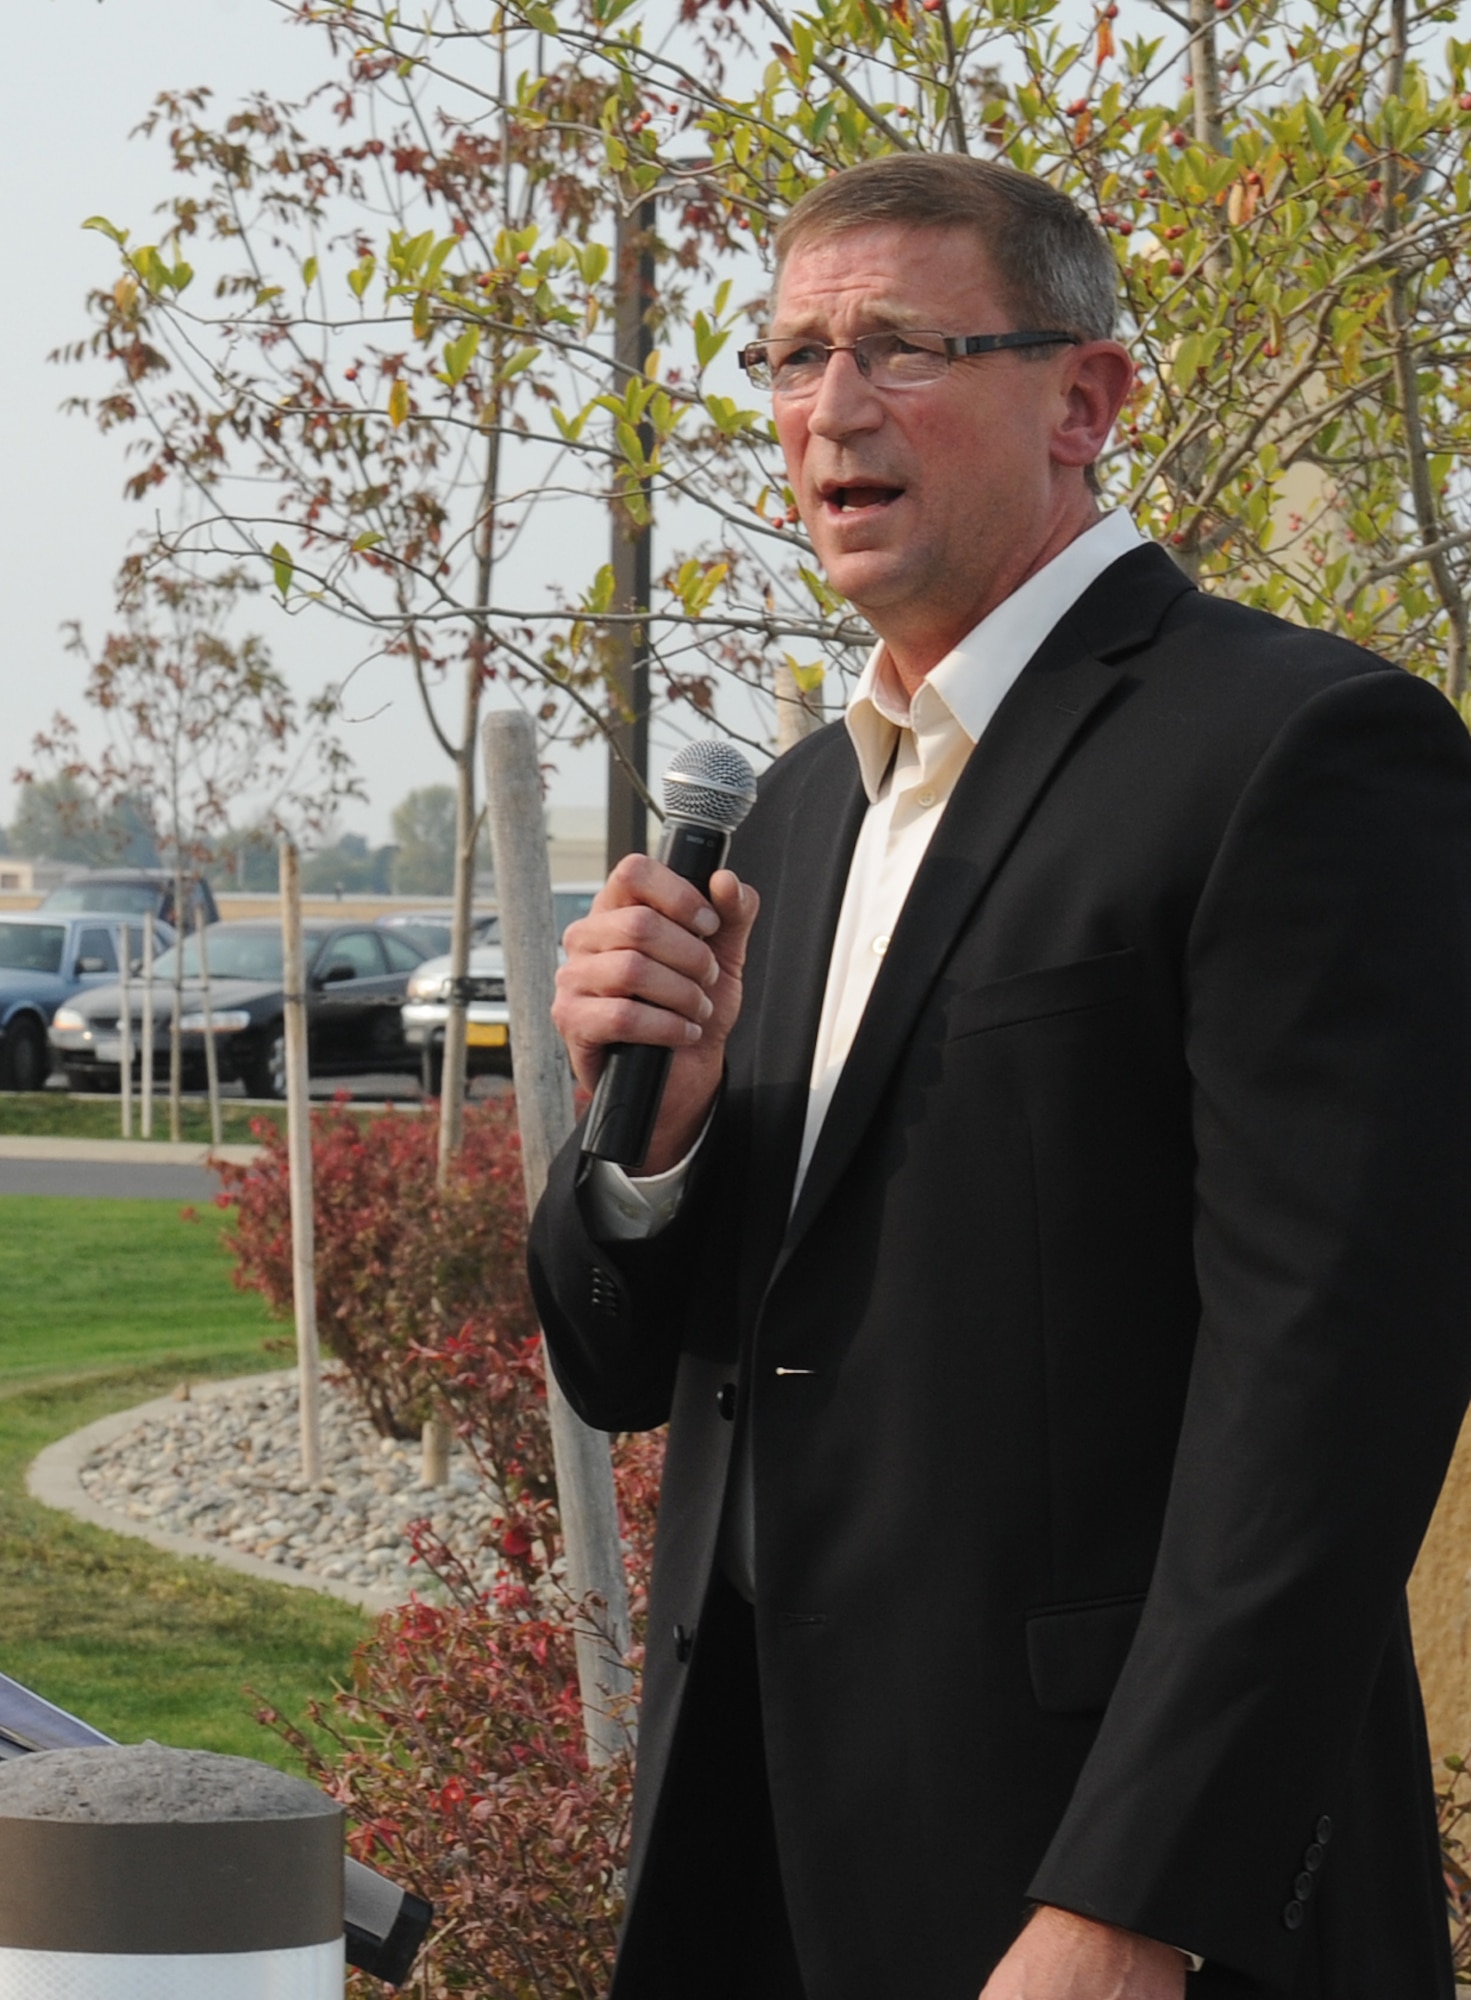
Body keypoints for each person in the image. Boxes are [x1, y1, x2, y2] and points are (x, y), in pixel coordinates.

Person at [528, 153, 1471, 1999]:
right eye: (793, 358)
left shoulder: (1306, 754)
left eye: (897, 348)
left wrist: (1137, 1897)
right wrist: (662, 1137)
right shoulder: (796, 814)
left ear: (1086, 401)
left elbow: (1335, 1392)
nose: (827, 412)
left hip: (1089, 1887)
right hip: (760, 1851)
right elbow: (627, 1367)